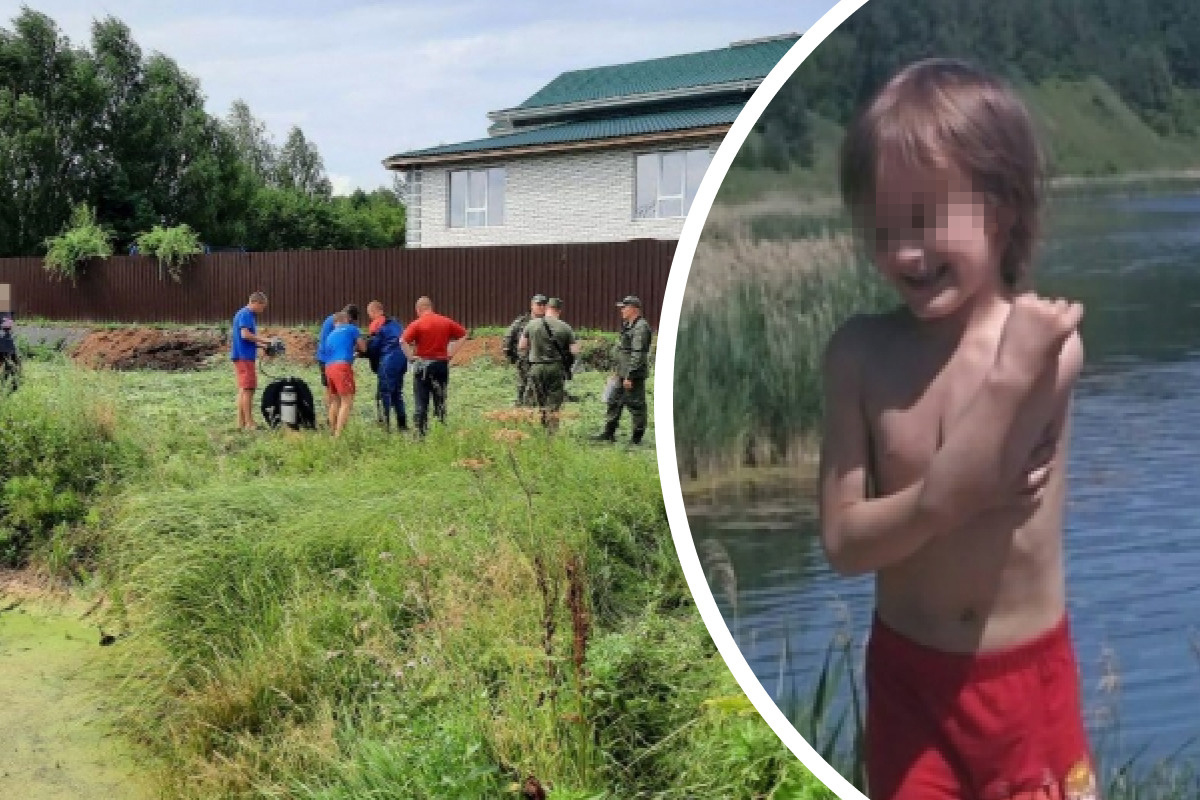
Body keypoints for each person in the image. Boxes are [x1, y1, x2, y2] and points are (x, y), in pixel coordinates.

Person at [820, 59, 1092, 800]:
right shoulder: (858, 353)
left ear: (1001, 208)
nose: (907, 253)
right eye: (883, 228)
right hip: (910, 679)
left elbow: (957, 492)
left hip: (1024, 678)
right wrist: (938, 497)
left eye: (929, 220)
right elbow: (849, 544)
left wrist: (1013, 371)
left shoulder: (1048, 345)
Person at [401, 296, 467, 437]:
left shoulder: (417, 324)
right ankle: (440, 433)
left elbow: (402, 341)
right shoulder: (445, 321)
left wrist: (411, 357)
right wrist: (451, 353)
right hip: (441, 365)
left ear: (418, 309)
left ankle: (420, 436)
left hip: (423, 365)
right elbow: (463, 335)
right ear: (431, 307)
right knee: (440, 400)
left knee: (421, 402)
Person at [592, 296, 652, 445]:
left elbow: (638, 354)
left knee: (636, 405)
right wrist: (616, 371)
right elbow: (622, 351)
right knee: (614, 402)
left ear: (634, 309)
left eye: (624, 307)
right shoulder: (627, 325)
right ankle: (608, 433)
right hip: (621, 372)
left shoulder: (641, 327)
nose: (622, 310)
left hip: (632, 374)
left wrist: (630, 376)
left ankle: (636, 438)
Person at [519, 300, 577, 432]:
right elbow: (575, 351)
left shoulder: (531, 324)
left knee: (538, 398)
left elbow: (522, 346)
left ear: (546, 308)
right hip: (556, 368)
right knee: (554, 401)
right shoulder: (565, 327)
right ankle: (551, 432)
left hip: (536, 367)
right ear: (559, 310)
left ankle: (536, 428)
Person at [230, 291, 274, 431]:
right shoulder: (246, 314)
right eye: (262, 307)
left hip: (242, 355)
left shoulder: (244, 314)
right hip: (244, 357)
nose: (263, 310)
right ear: (256, 302)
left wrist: (263, 346)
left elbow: (247, 339)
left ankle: (241, 422)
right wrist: (267, 340)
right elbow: (245, 335)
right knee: (249, 389)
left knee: (243, 389)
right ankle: (249, 423)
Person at [365, 300, 408, 431]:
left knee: (385, 393)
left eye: (370, 314)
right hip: (402, 360)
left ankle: (385, 425)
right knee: (397, 393)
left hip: (388, 361)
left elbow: (374, 347)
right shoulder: (396, 323)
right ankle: (402, 425)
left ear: (374, 311)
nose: (370, 317)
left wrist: (363, 352)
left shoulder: (379, 325)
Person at [317, 304, 360, 416]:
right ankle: (336, 416)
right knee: (335, 393)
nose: (350, 324)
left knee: (330, 390)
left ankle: (331, 416)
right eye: (351, 321)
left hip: (324, 358)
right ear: (349, 317)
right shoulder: (339, 324)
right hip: (331, 359)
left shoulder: (331, 319)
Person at [323, 310, 361, 437]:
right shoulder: (352, 329)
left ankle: (332, 431)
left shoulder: (330, 335)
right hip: (342, 367)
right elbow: (363, 347)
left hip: (328, 368)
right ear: (347, 320)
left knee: (334, 401)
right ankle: (339, 436)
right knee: (346, 401)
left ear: (335, 323)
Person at [504, 294, 547, 406]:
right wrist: (511, 356)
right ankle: (520, 405)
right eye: (539, 304)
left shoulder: (549, 322)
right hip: (524, 359)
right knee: (523, 383)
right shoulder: (522, 321)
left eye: (544, 305)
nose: (541, 307)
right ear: (532, 305)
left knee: (541, 384)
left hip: (542, 359)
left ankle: (537, 405)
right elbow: (508, 338)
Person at [0, 316, 19, 392]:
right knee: (10, 370)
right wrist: (15, 361)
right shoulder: (7, 337)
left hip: (4, 357)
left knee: (9, 370)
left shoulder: (5, 336)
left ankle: (7, 385)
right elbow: (12, 351)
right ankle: (13, 386)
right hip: (5, 357)